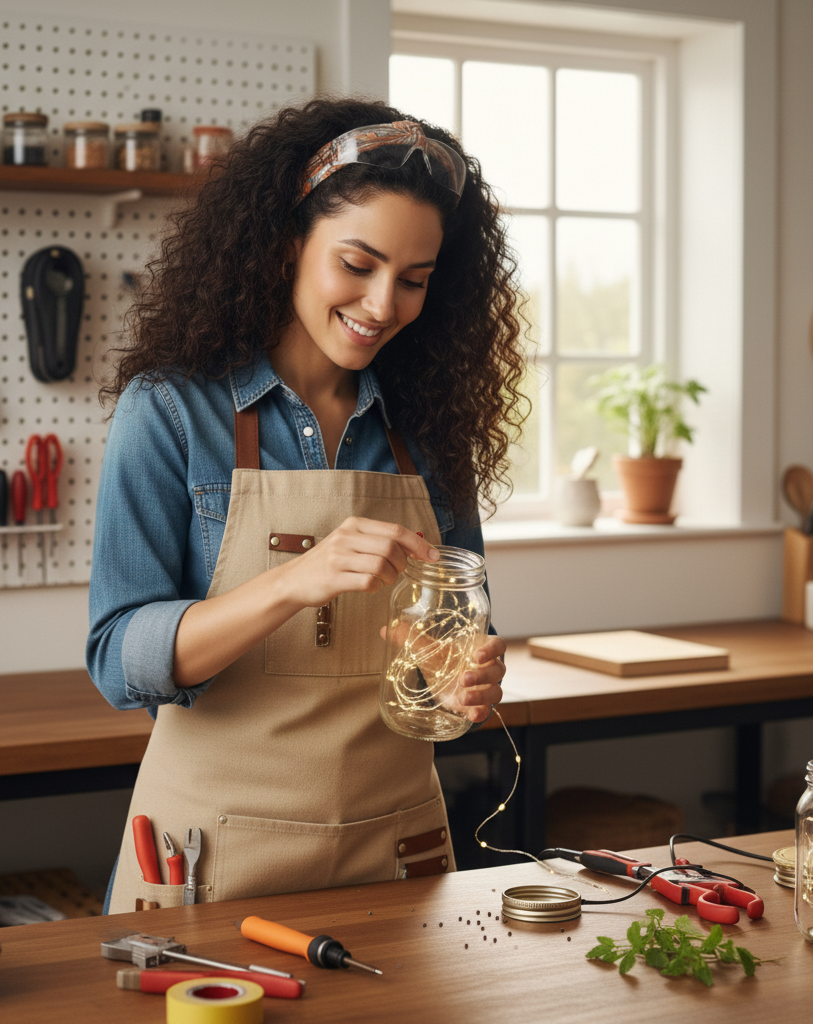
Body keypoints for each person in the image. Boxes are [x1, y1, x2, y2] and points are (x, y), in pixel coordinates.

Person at [87, 97, 528, 914]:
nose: (382, 305)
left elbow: (449, 653)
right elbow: (119, 661)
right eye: (356, 265)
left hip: (397, 853)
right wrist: (293, 581)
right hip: (207, 857)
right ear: (290, 242)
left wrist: (460, 684)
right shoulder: (172, 411)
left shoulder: (433, 431)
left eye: (414, 280)